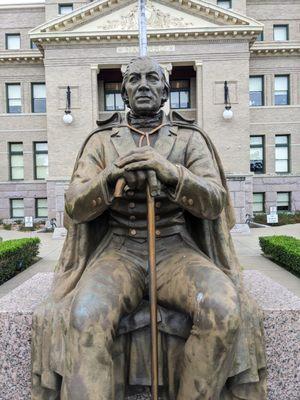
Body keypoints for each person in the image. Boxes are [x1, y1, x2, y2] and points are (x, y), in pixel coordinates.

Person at [32, 57, 266, 400]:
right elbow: (74, 206)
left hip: (176, 251)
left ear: (166, 90)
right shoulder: (101, 142)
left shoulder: (190, 139)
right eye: (135, 80)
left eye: (153, 79)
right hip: (118, 253)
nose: (143, 85)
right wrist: (108, 177)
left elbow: (215, 201)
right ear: (124, 93)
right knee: (84, 316)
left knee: (223, 308)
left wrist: (173, 174)